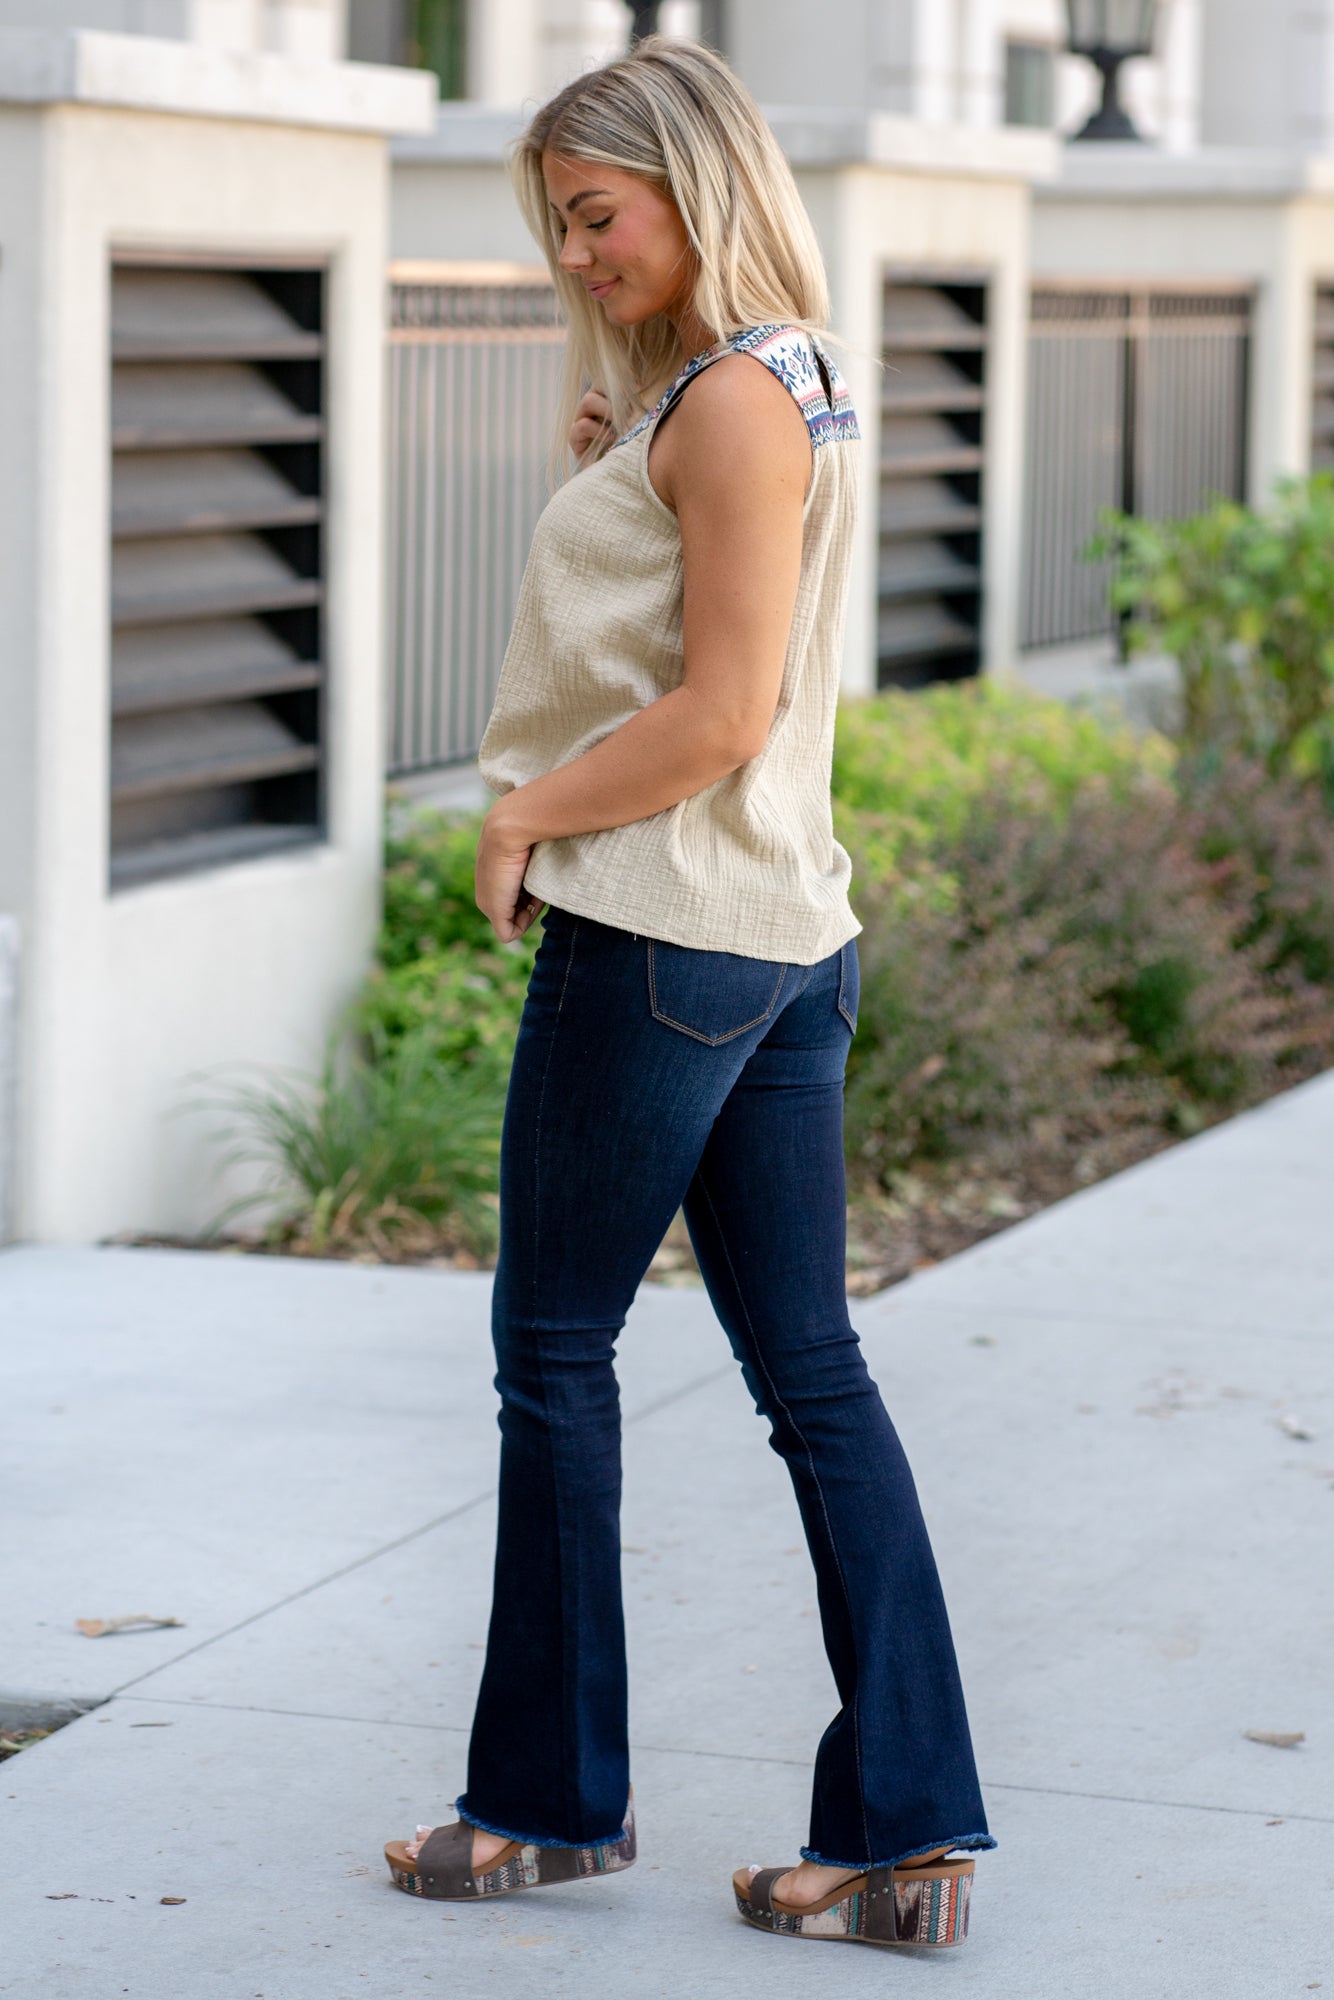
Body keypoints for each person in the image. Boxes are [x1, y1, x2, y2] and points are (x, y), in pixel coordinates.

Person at [382, 34, 994, 1949]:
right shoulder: (774, 379)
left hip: (662, 933)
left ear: (694, 182)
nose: (575, 253)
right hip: (779, 940)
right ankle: (900, 1841)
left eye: (597, 213)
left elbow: (718, 712)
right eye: (557, 226)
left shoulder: (725, 404)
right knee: (810, 1374)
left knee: (554, 1355)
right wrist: (619, 443)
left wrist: (520, 819)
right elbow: (694, 622)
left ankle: (546, 1807)